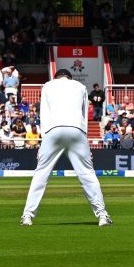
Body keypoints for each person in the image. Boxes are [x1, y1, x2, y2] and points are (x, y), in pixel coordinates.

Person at [20, 68, 111, 227]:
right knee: (87, 175)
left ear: (56, 77)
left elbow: (44, 114)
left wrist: (43, 142)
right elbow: (84, 116)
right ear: (69, 77)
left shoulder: (48, 86)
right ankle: (102, 216)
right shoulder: (80, 87)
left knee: (41, 174)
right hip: (76, 129)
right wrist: (86, 141)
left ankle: (27, 216)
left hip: (53, 130)